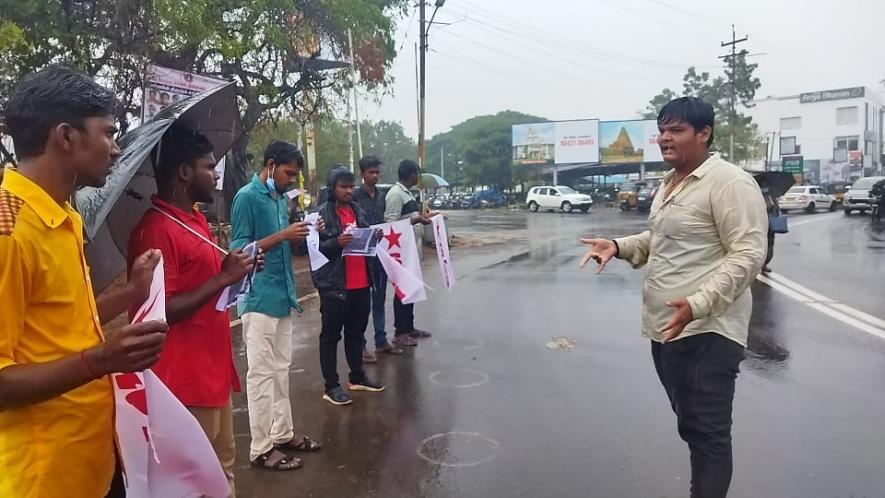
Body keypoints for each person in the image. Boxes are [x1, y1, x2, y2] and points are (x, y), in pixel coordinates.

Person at [581, 97, 767, 498]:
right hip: (669, 331)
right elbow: (664, 240)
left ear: (704, 134)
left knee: (708, 435)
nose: (665, 138)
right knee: (692, 426)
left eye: (677, 130)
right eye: (662, 130)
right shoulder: (672, 181)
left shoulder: (729, 182)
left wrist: (698, 304)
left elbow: (749, 253)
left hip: (707, 332)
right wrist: (618, 245)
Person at [0, 65, 168, 498]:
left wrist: (132, 291)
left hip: (93, 457)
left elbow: (59, 322)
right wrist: (100, 360)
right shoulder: (9, 232)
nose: (115, 149)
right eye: (108, 133)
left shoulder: (66, 216)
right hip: (45, 476)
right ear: (66, 137)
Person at [128, 123, 258, 498]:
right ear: (184, 172)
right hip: (181, 382)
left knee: (221, 473)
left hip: (214, 371)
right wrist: (222, 279)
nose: (215, 174)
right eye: (208, 166)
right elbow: (158, 310)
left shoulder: (196, 220)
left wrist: (235, 271)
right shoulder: (155, 230)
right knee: (188, 484)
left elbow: (206, 286)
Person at [230, 141, 322, 471]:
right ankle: (260, 447)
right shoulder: (247, 197)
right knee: (261, 375)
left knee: (282, 370)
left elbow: (285, 244)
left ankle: (283, 433)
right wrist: (283, 235)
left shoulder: (281, 199)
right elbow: (239, 250)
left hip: (283, 296)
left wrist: (304, 233)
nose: (290, 181)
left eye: (295, 176)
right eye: (288, 173)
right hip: (257, 299)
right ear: (270, 165)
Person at [312, 166, 385, 406]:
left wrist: (374, 237)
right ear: (332, 188)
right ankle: (331, 385)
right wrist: (336, 242)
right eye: (343, 186)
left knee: (356, 332)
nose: (348, 191)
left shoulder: (357, 210)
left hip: (360, 282)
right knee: (331, 336)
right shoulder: (320, 215)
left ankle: (357, 377)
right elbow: (311, 249)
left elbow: (365, 235)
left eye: (351, 186)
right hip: (334, 285)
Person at [355, 155, 404, 362]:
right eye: (370, 172)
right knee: (361, 304)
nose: (374, 176)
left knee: (379, 298)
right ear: (362, 174)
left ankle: (381, 340)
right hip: (362, 256)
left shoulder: (382, 195)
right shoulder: (355, 197)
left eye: (377, 172)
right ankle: (360, 345)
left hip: (381, 254)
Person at [384, 160, 435, 348]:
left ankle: (409, 327)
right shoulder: (395, 195)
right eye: (417, 174)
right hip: (402, 250)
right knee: (402, 291)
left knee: (411, 288)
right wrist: (416, 221)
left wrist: (423, 218)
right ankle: (400, 332)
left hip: (413, 249)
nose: (418, 177)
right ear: (410, 174)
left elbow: (409, 218)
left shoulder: (406, 193)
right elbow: (391, 224)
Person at [761, 186, 780, 273]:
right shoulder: (756, 196)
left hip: (771, 225)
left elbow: (777, 208)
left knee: (770, 244)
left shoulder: (772, 196)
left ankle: (765, 263)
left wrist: (775, 208)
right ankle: (759, 265)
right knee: (760, 245)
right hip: (760, 225)